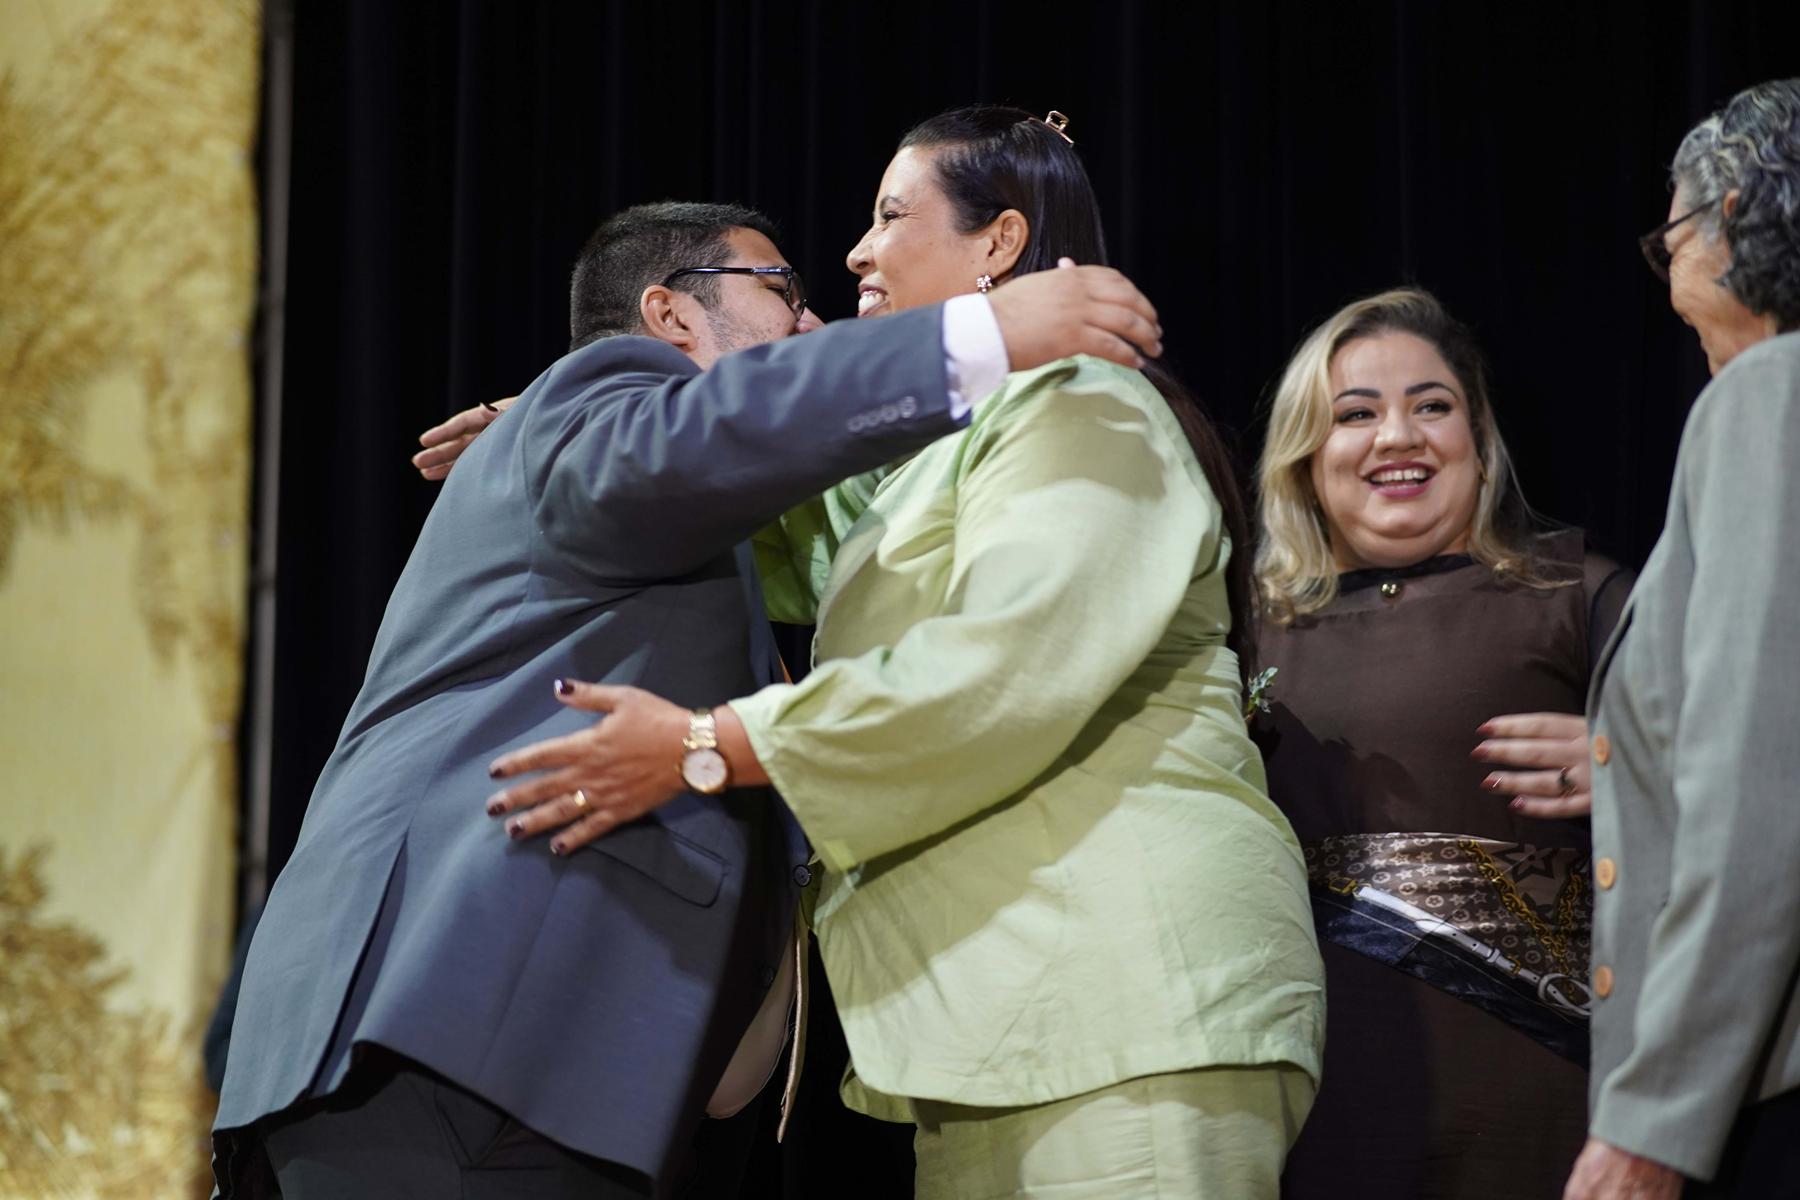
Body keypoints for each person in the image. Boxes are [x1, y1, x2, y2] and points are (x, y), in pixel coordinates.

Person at [211, 198, 1164, 1198]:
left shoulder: (635, 496)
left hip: (494, 1067)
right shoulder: (600, 394)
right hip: (456, 1048)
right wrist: (980, 336)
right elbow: (710, 431)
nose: (809, 320)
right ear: (668, 316)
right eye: (782, 290)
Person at [485, 106, 1326, 1199]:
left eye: (890, 216)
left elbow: (1007, 668)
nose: (855, 252)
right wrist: (572, 430)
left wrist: (707, 745)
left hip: (1125, 999)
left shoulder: (1085, 400)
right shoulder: (926, 464)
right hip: (994, 1028)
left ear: (999, 244)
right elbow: (750, 526)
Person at [1251, 286, 1633, 1198]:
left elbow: (1756, 792)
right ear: (1305, 452)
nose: (1397, 436)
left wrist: (1645, 773)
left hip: (1548, 1100)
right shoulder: (1241, 631)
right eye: (1355, 414)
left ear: (1479, 436)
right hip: (1317, 1101)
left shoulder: (1582, 597)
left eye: (1431, 406)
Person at [1563, 77, 1800, 1200]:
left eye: (1672, 240)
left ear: (1734, 213)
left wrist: (1654, 1119)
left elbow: (1762, 786)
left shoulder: (1771, 395)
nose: (1669, 280)